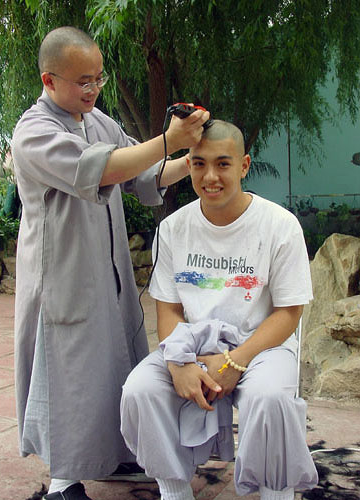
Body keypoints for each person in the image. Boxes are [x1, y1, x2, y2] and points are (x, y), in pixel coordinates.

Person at [11, 26, 210, 500]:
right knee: (69, 375)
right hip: (62, 279)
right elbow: (102, 169)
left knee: (113, 364)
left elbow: (140, 173)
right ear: (49, 80)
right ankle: (64, 479)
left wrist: (192, 156)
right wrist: (168, 139)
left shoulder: (98, 120)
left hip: (110, 271)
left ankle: (115, 454)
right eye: (83, 81)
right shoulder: (34, 132)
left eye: (99, 78)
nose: (94, 89)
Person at [120, 120, 318, 500]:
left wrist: (236, 361)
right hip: (192, 344)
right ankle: (174, 491)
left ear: (244, 165)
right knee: (139, 391)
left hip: (261, 346)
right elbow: (169, 310)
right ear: (189, 165)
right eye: (198, 164)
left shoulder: (280, 226)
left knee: (271, 399)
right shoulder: (174, 229)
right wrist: (179, 363)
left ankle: (275, 492)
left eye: (223, 164)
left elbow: (288, 314)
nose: (210, 176)